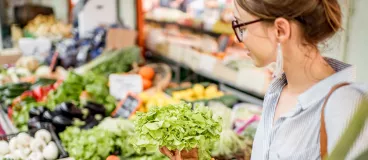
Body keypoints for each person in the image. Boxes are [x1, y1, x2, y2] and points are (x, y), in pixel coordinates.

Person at [160, 0, 368, 159]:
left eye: (241, 26)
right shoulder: (278, 90)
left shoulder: (349, 110)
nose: (238, 38)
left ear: (280, 30)